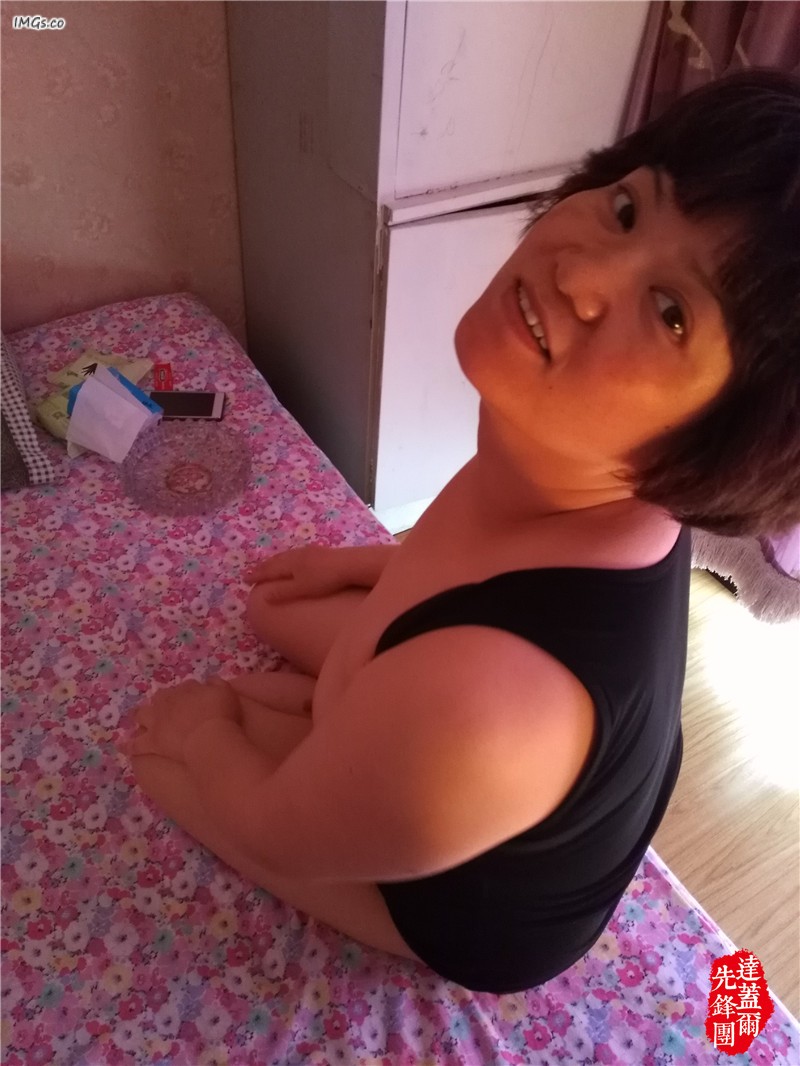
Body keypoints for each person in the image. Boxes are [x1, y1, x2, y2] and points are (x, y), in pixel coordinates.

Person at [123, 69, 800, 994]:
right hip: (496, 760)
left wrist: (206, 748)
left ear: (730, 442)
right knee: (272, 612)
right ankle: (352, 725)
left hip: (474, 915)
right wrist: (365, 565)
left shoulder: (485, 710)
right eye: (628, 209)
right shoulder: (576, 471)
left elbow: (274, 831)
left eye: (672, 312)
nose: (579, 272)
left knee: (170, 749)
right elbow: (475, 559)